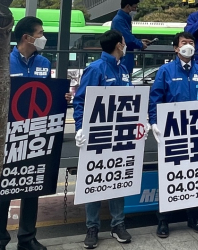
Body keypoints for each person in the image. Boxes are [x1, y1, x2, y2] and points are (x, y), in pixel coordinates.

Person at [0, 17, 53, 250]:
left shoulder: (45, 63)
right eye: (40, 33)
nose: (43, 37)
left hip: (35, 134)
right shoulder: (3, 61)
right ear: (27, 37)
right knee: (3, 190)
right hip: (6, 135)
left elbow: (46, 94)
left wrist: (60, 98)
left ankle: (27, 239)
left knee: (31, 187)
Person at [148, 32, 198, 238]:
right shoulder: (165, 71)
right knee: (170, 174)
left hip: (197, 131)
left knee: (195, 173)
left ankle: (195, 218)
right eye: (184, 43)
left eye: (191, 43)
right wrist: (154, 122)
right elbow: (155, 98)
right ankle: (164, 221)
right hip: (172, 131)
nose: (189, 46)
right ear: (176, 49)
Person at [73, 30, 134, 247]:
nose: (126, 45)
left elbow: (130, 98)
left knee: (117, 177)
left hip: (120, 134)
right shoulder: (96, 69)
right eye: (125, 42)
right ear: (119, 45)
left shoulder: (123, 69)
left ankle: (118, 225)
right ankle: (92, 227)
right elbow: (81, 100)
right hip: (98, 134)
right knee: (95, 179)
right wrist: (80, 128)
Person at [110, 0, 151, 75]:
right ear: (128, 6)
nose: (135, 10)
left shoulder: (121, 19)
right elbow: (127, 38)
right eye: (134, 7)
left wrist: (140, 41)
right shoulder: (119, 20)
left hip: (124, 58)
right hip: (123, 59)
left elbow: (127, 37)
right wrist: (140, 44)